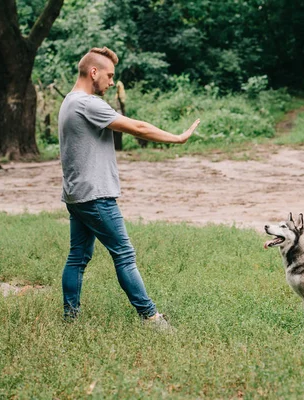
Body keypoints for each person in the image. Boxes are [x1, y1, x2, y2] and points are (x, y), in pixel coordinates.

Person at [58, 47, 200, 328]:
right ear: (93, 72)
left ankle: (70, 318)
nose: (111, 83)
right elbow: (138, 127)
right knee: (124, 255)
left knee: (78, 256)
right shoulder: (88, 103)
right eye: (109, 76)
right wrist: (178, 138)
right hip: (96, 196)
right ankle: (151, 318)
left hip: (76, 195)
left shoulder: (68, 101)